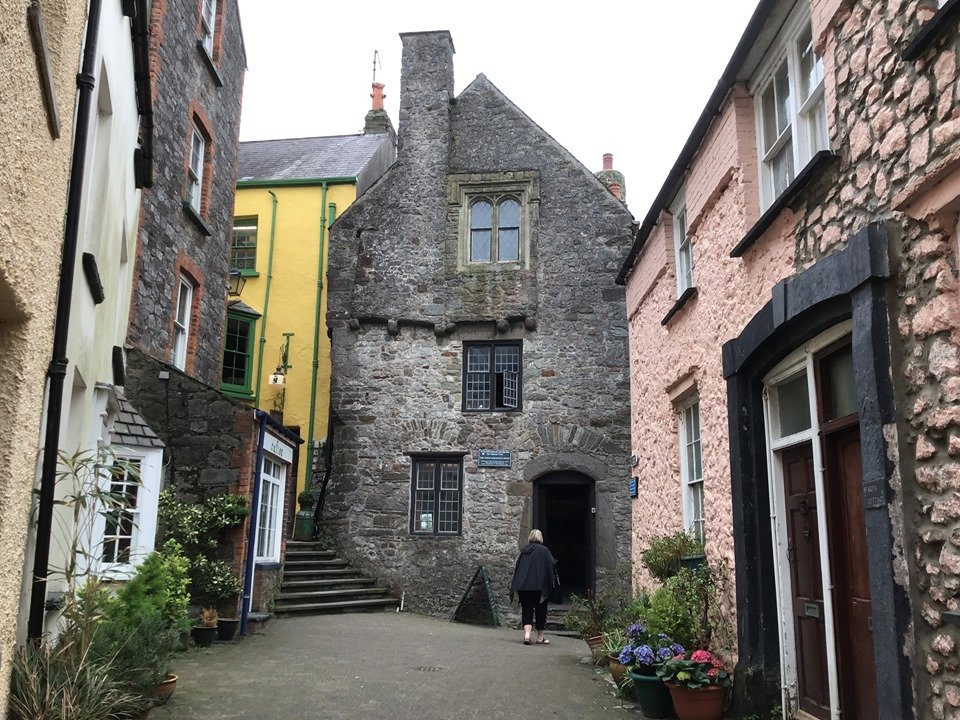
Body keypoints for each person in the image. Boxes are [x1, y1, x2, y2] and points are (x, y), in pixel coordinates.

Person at [509, 529, 557, 645]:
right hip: (539, 587)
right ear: (541, 538)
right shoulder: (544, 551)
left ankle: (527, 635)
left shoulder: (524, 551)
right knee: (541, 611)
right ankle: (540, 637)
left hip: (524, 587)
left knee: (527, 610)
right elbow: (552, 565)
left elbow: (518, 568)